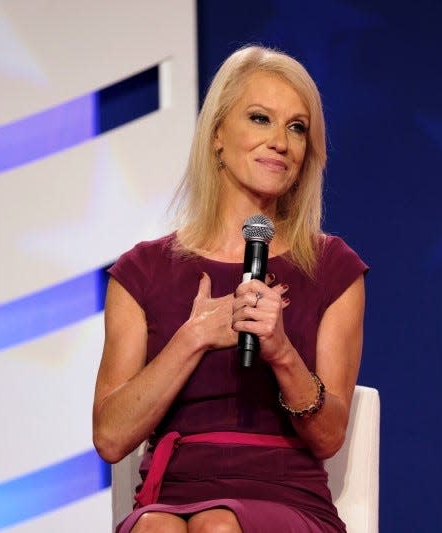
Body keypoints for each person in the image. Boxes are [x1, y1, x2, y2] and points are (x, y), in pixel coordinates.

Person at [92, 45, 368, 533]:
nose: (280, 142)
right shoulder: (143, 271)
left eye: (297, 127)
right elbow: (111, 438)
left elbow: (329, 437)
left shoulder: (331, 268)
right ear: (217, 134)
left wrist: (281, 352)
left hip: (287, 495)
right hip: (172, 495)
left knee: (218, 526)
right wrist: (193, 336)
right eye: (261, 118)